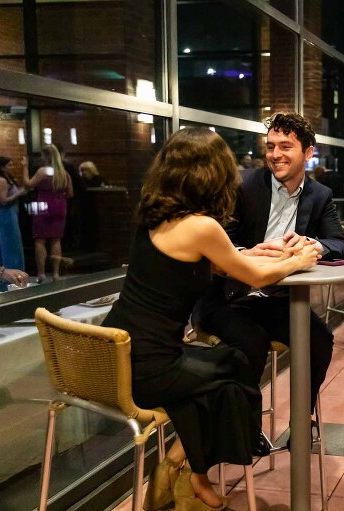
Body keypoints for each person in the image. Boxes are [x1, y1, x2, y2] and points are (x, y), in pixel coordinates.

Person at [102, 127, 319, 511]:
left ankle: (186, 473)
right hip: (150, 365)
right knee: (234, 370)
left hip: (117, 352)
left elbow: (217, 265)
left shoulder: (154, 214)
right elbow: (251, 277)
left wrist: (255, 252)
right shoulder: (201, 226)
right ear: (212, 173)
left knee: (215, 376)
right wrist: (297, 260)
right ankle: (182, 470)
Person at [192, 112, 344, 451]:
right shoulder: (244, 184)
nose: (275, 154)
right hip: (228, 297)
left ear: (308, 153)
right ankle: (244, 428)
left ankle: (301, 419)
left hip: (276, 299)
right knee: (253, 341)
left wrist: (314, 244)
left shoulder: (320, 195)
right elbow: (220, 238)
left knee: (319, 338)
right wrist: (250, 254)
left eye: (286, 147)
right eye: (270, 147)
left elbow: (341, 244)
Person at [22, 145, 74, 283]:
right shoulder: (64, 173)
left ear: (45, 157)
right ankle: (56, 273)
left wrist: (25, 167)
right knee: (56, 240)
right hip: (60, 206)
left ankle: (42, 273)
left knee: (40, 240)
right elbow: (70, 193)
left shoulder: (42, 171)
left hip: (43, 205)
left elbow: (27, 184)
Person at [0, 156, 27, 271]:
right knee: (9, 244)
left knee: (15, 243)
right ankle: (11, 272)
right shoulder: (1, 180)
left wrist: (25, 168)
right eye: (9, 165)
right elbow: (3, 200)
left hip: (12, 213)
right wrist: (18, 194)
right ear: (2, 167)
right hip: (5, 214)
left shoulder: (9, 178)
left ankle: (17, 271)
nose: (12, 167)